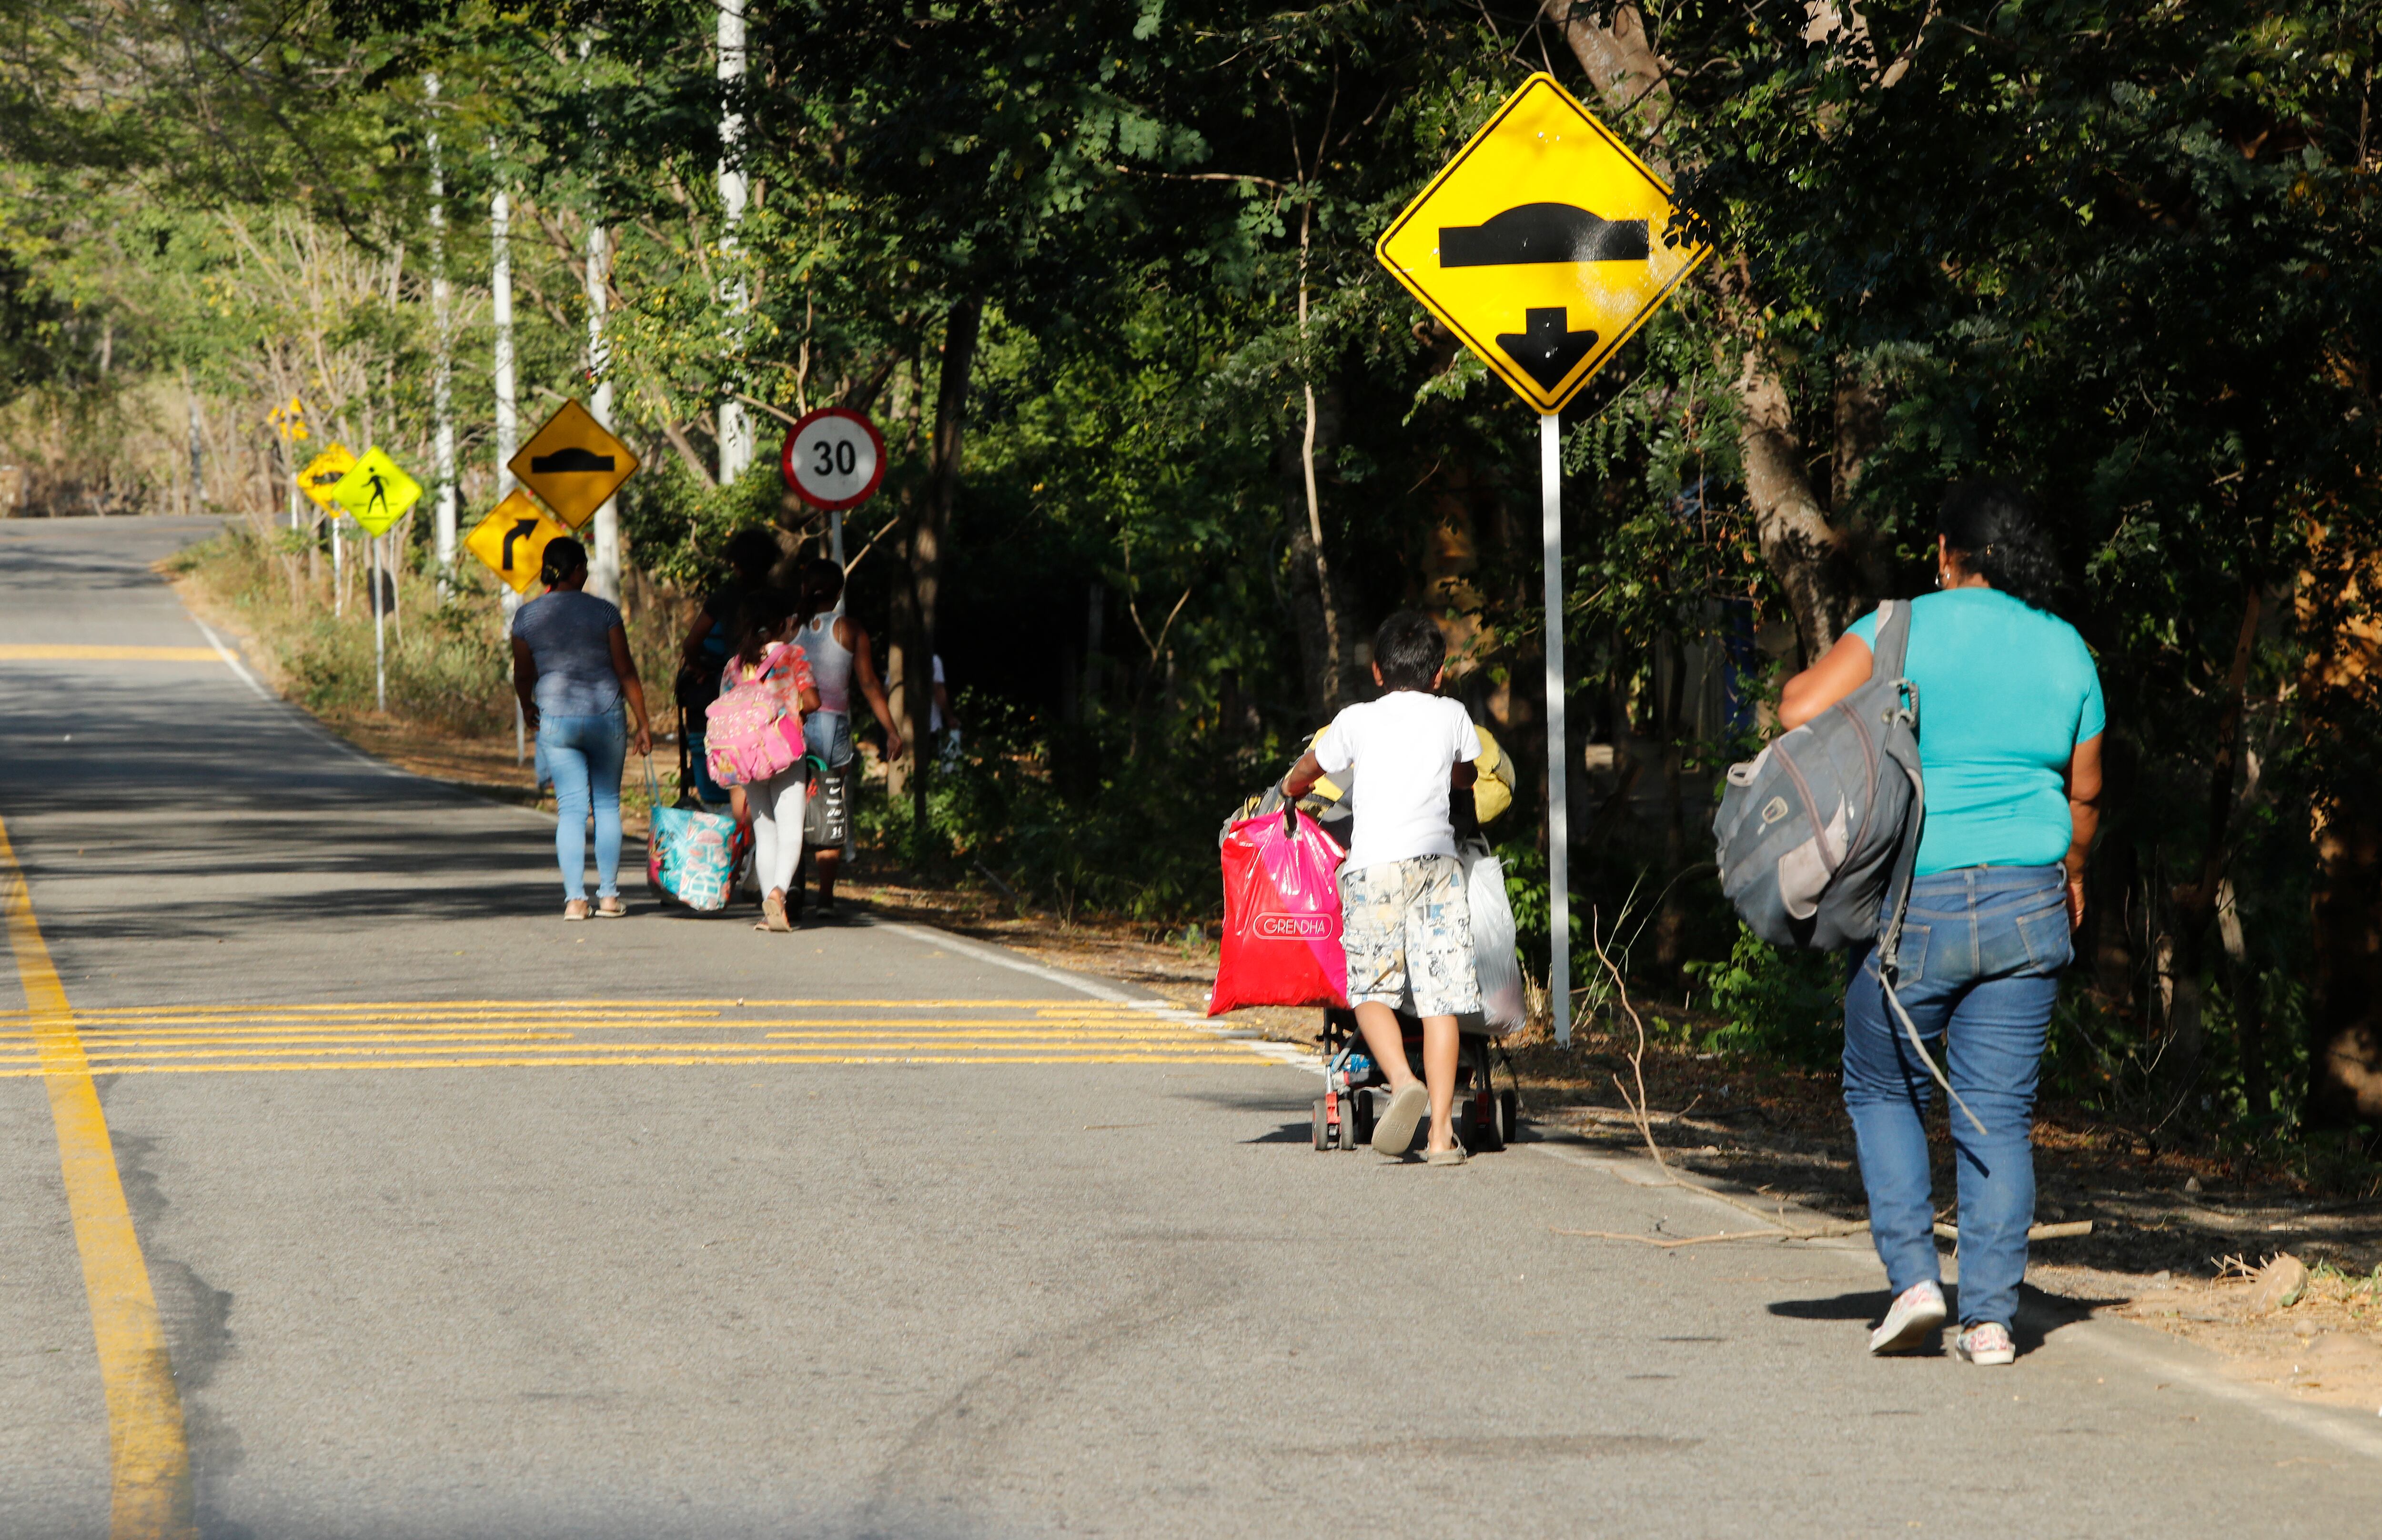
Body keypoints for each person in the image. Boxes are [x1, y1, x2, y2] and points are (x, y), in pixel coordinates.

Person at [1779, 480, 2104, 1369]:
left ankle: (1917, 1284)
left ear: (1945, 551)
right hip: (2031, 899)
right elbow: (2086, 794)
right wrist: (2073, 872)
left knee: (1884, 1086)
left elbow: (1798, 708)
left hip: (1915, 900)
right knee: (1997, 1110)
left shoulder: (1902, 628)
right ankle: (1992, 1319)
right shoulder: (2068, 647)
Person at [1281, 611, 1481, 1164]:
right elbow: (1465, 775)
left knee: (1369, 988)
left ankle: (1399, 1078)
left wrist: (1289, 789)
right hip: (1437, 868)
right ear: (1439, 673)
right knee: (1441, 998)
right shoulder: (1453, 715)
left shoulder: (1355, 720)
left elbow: (1308, 770)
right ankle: (1441, 1136)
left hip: (1373, 869)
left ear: (1376, 671)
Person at [511, 537, 656, 920]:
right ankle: (608, 896)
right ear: (575, 570)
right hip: (605, 712)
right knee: (607, 803)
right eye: (585, 566)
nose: (588, 572)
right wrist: (643, 722)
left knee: (571, 810)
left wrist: (528, 705)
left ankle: (576, 899)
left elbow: (523, 672)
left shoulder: (526, 617)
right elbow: (625, 670)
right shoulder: (604, 612)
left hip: (555, 718)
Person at [790, 557, 905, 916]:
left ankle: (793, 886)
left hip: (790, 725)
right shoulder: (850, 629)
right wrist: (890, 730)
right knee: (829, 808)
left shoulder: (789, 626)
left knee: (790, 806)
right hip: (832, 729)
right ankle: (825, 898)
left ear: (804, 588)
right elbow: (869, 684)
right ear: (839, 592)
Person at [719, 589, 820, 933]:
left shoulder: (735, 662)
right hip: (783, 752)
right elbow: (812, 700)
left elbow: (725, 704)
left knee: (765, 833)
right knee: (792, 832)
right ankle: (778, 893)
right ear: (784, 623)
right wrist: (796, 708)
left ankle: (769, 911)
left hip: (746, 756)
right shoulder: (793, 655)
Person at [677, 528, 783, 805]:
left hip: (731, 695)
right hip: (774, 697)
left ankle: (734, 838)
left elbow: (691, 644)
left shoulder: (723, 598)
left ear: (735, 563)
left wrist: (698, 669)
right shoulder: (782, 599)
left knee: (733, 778)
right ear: (771, 563)